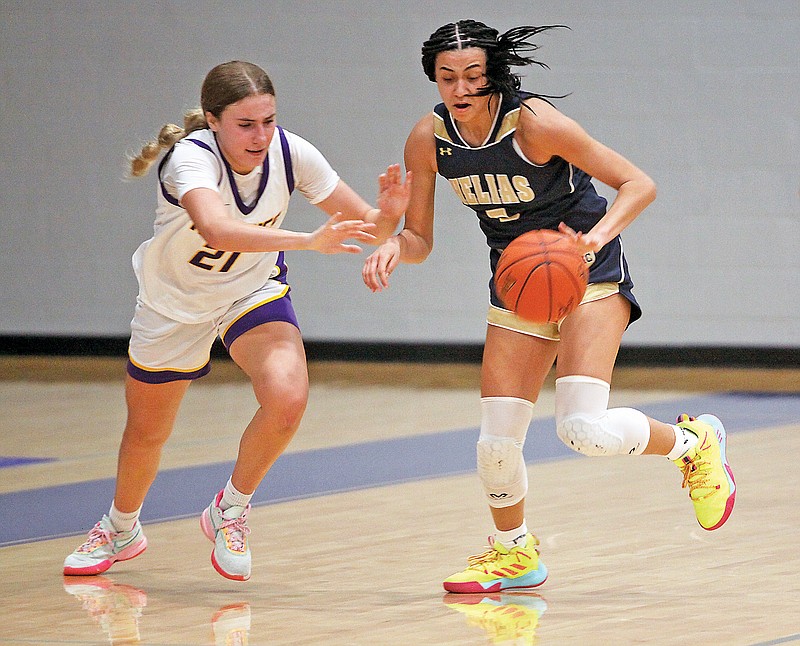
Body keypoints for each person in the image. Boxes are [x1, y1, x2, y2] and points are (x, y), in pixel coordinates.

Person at [362, 20, 735, 593]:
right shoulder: (427, 140)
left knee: (583, 429)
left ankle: (693, 444)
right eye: (446, 77)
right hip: (520, 284)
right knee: (495, 440)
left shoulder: (534, 125)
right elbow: (421, 241)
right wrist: (392, 239)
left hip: (587, 273)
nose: (459, 89)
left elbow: (638, 183)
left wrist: (596, 237)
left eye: (472, 76)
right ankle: (515, 554)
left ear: (494, 75)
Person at [64, 60, 410, 582]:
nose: (261, 135)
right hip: (173, 305)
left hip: (250, 289)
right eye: (246, 124)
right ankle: (121, 527)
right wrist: (308, 241)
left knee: (288, 395)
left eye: (268, 121)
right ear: (213, 120)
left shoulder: (292, 152)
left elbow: (365, 222)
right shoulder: (189, 160)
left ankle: (231, 508)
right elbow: (218, 228)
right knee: (146, 433)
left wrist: (387, 216)